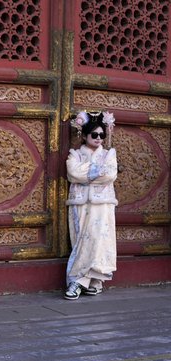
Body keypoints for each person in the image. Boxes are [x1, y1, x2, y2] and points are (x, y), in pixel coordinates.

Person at [65, 110, 118, 300]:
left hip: (103, 204)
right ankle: (86, 280)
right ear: (85, 135)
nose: (98, 138)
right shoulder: (75, 154)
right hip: (80, 203)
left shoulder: (109, 154)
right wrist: (97, 172)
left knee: (100, 241)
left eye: (101, 135)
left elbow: (110, 174)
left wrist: (85, 174)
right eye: (94, 135)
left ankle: (84, 282)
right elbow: (73, 173)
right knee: (83, 241)